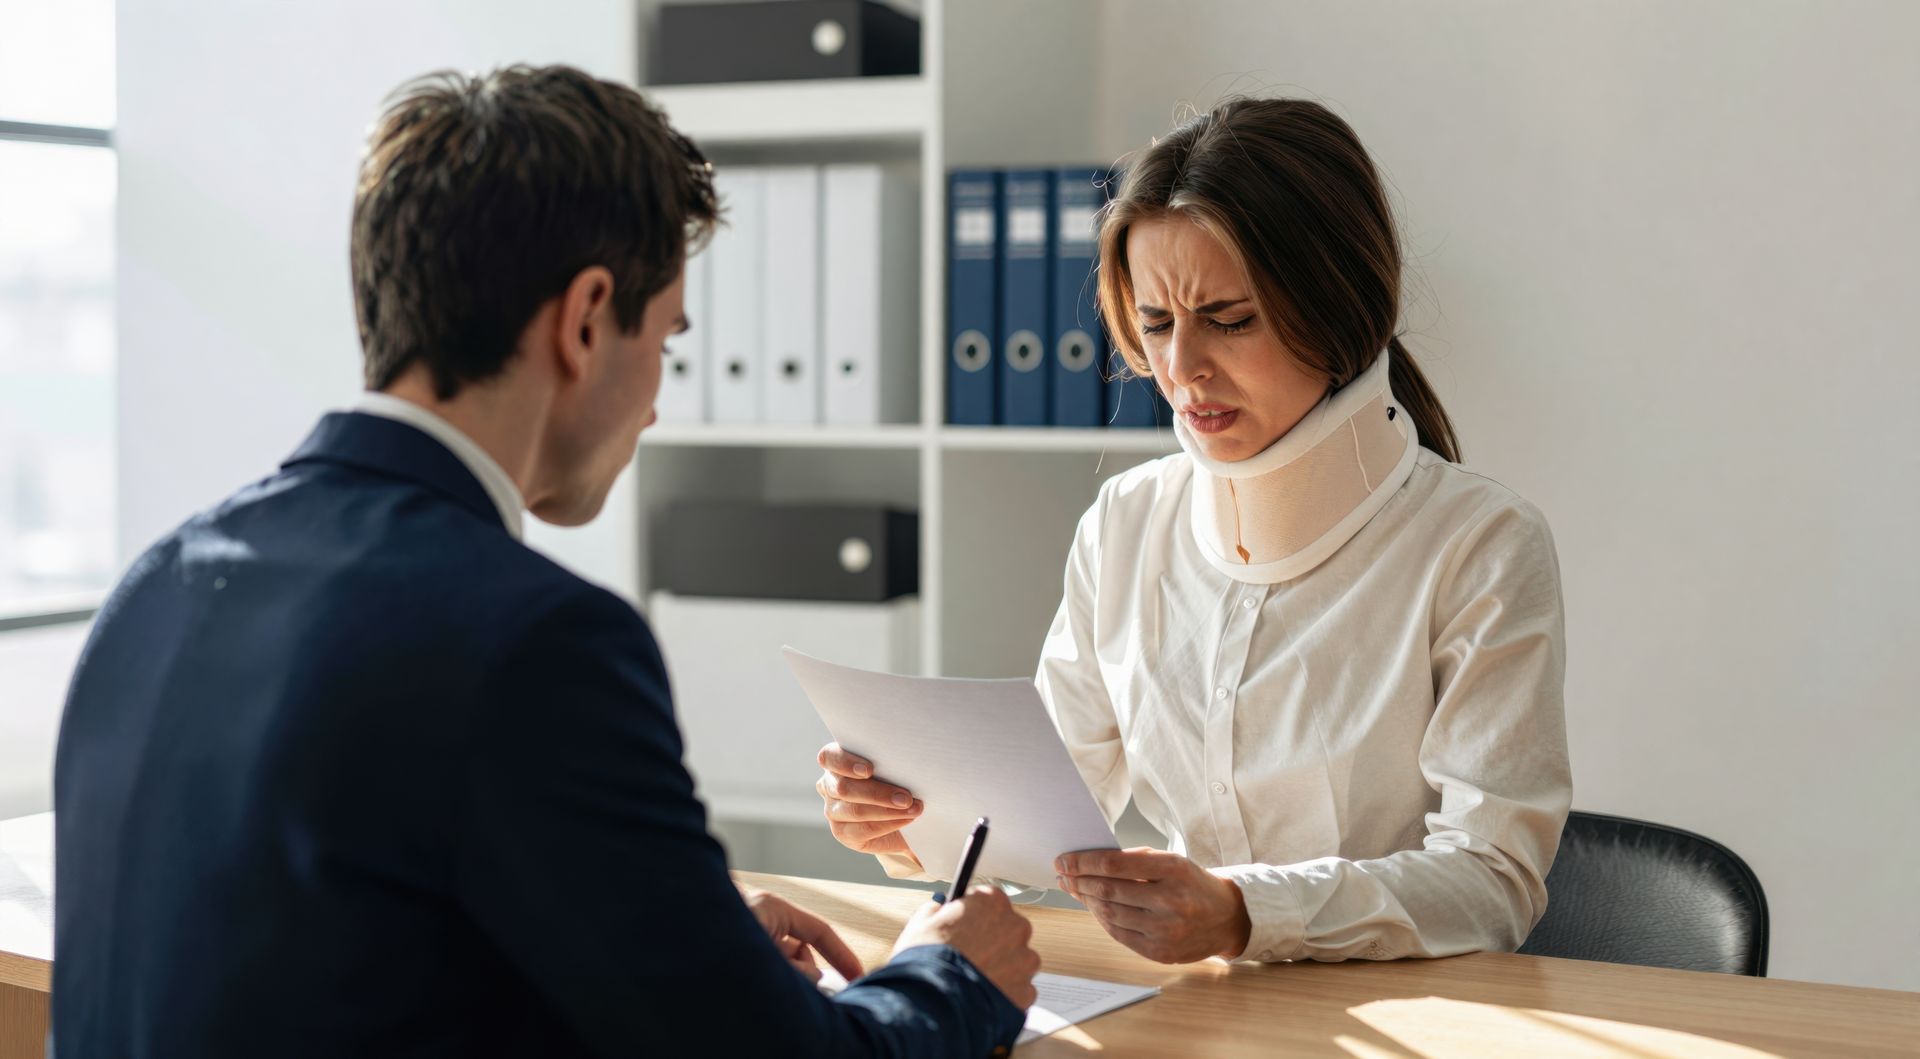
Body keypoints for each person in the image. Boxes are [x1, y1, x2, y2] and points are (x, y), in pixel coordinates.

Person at [53, 65, 1038, 1057]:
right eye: (665, 338)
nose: (657, 398)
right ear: (584, 320)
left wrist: (686, 943)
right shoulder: (533, 643)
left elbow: (333, 953)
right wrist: (950, 976)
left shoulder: (155, 587)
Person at [817, 97, 1571, 966]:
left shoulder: (1481, 545)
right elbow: (1038, 814)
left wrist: (1249, 912)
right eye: (1155, 324)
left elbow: (1491, 879)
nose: (1180, 370)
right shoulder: (1125, 521)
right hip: (1190, 1007)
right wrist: (906, 822)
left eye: (1229, 319)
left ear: (1338, 306)